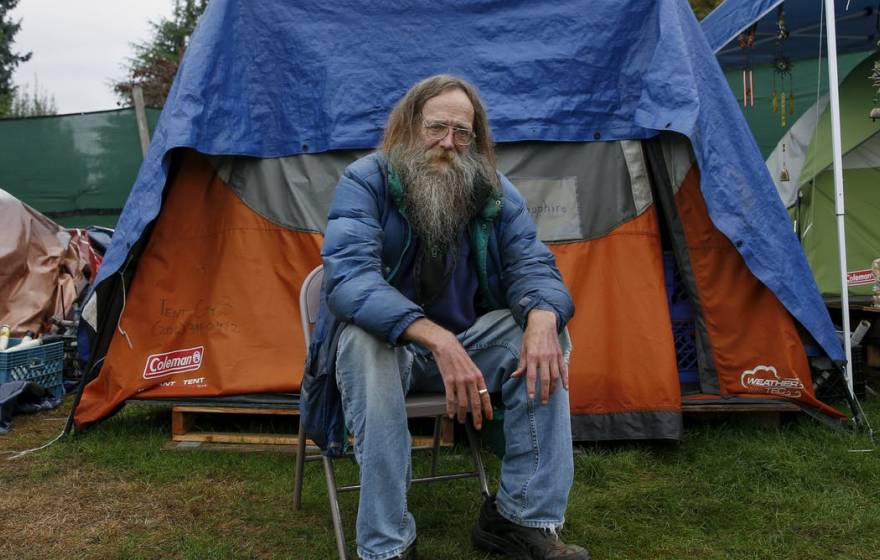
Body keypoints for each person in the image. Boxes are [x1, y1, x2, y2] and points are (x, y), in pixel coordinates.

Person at [301, 75, 588, 560]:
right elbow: (348, 280)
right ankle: (387, 544)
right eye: (436, 128)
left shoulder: (492, 189)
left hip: (465, 348)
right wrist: (436, 338)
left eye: (462, 133)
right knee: (367, 345)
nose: (448, 144)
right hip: (392, 351)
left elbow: (533, 264)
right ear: (410, 126)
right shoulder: (364, 180)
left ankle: (519, 517)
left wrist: (543, 315)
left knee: (547, 337)